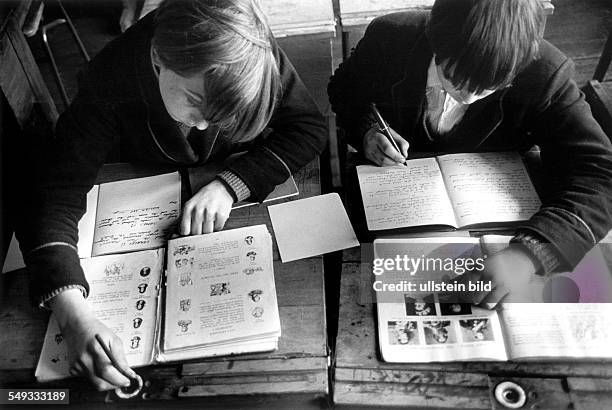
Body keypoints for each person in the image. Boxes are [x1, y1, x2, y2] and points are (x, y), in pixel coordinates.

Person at [17, 0, 326, 391]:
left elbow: (309, 128)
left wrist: (232, 184)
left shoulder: (247, 48)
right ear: (158, 58)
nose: (200, 126)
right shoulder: (110, 77)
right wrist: (71, 309)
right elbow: (56, 194)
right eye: (195, 102)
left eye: (218, 116)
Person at [328, 0, 612, 304]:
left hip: (495, 224)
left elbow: (599, 173)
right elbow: (344, 90)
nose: (468, 96)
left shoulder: (545, 72)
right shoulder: (391, 36)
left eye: (490, 87)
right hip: (392, 208)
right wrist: (367, 129)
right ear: (434, 37)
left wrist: (529, 254)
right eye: (452, 76)